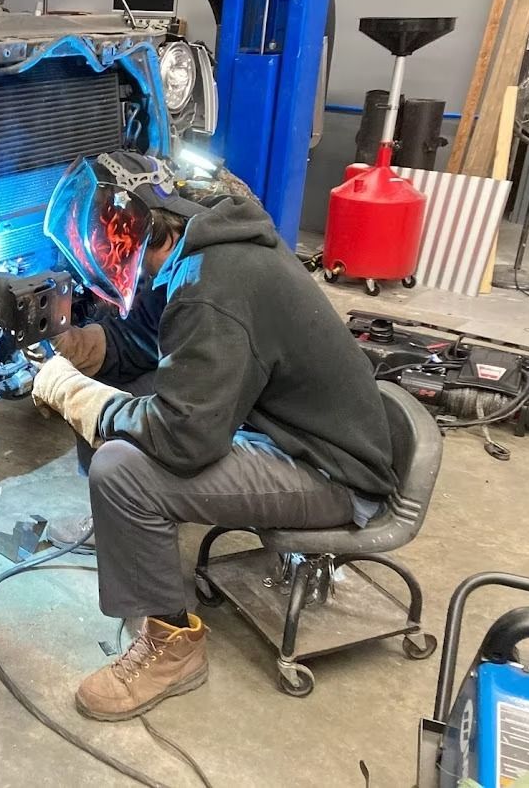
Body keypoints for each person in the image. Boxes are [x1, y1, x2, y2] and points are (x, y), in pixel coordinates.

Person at [31, 151, 396, 722]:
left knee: (123, 471)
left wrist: (81, 400)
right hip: (292, 428)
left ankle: (173, 648)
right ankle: (127, 538)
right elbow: (147, 350)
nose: (110, 258)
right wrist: (81, 353)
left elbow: (183, 440)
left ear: (131, 234)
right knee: (119, 394)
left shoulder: (213, 287)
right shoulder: (195, 249)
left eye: (111, 245)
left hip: (331, 470)